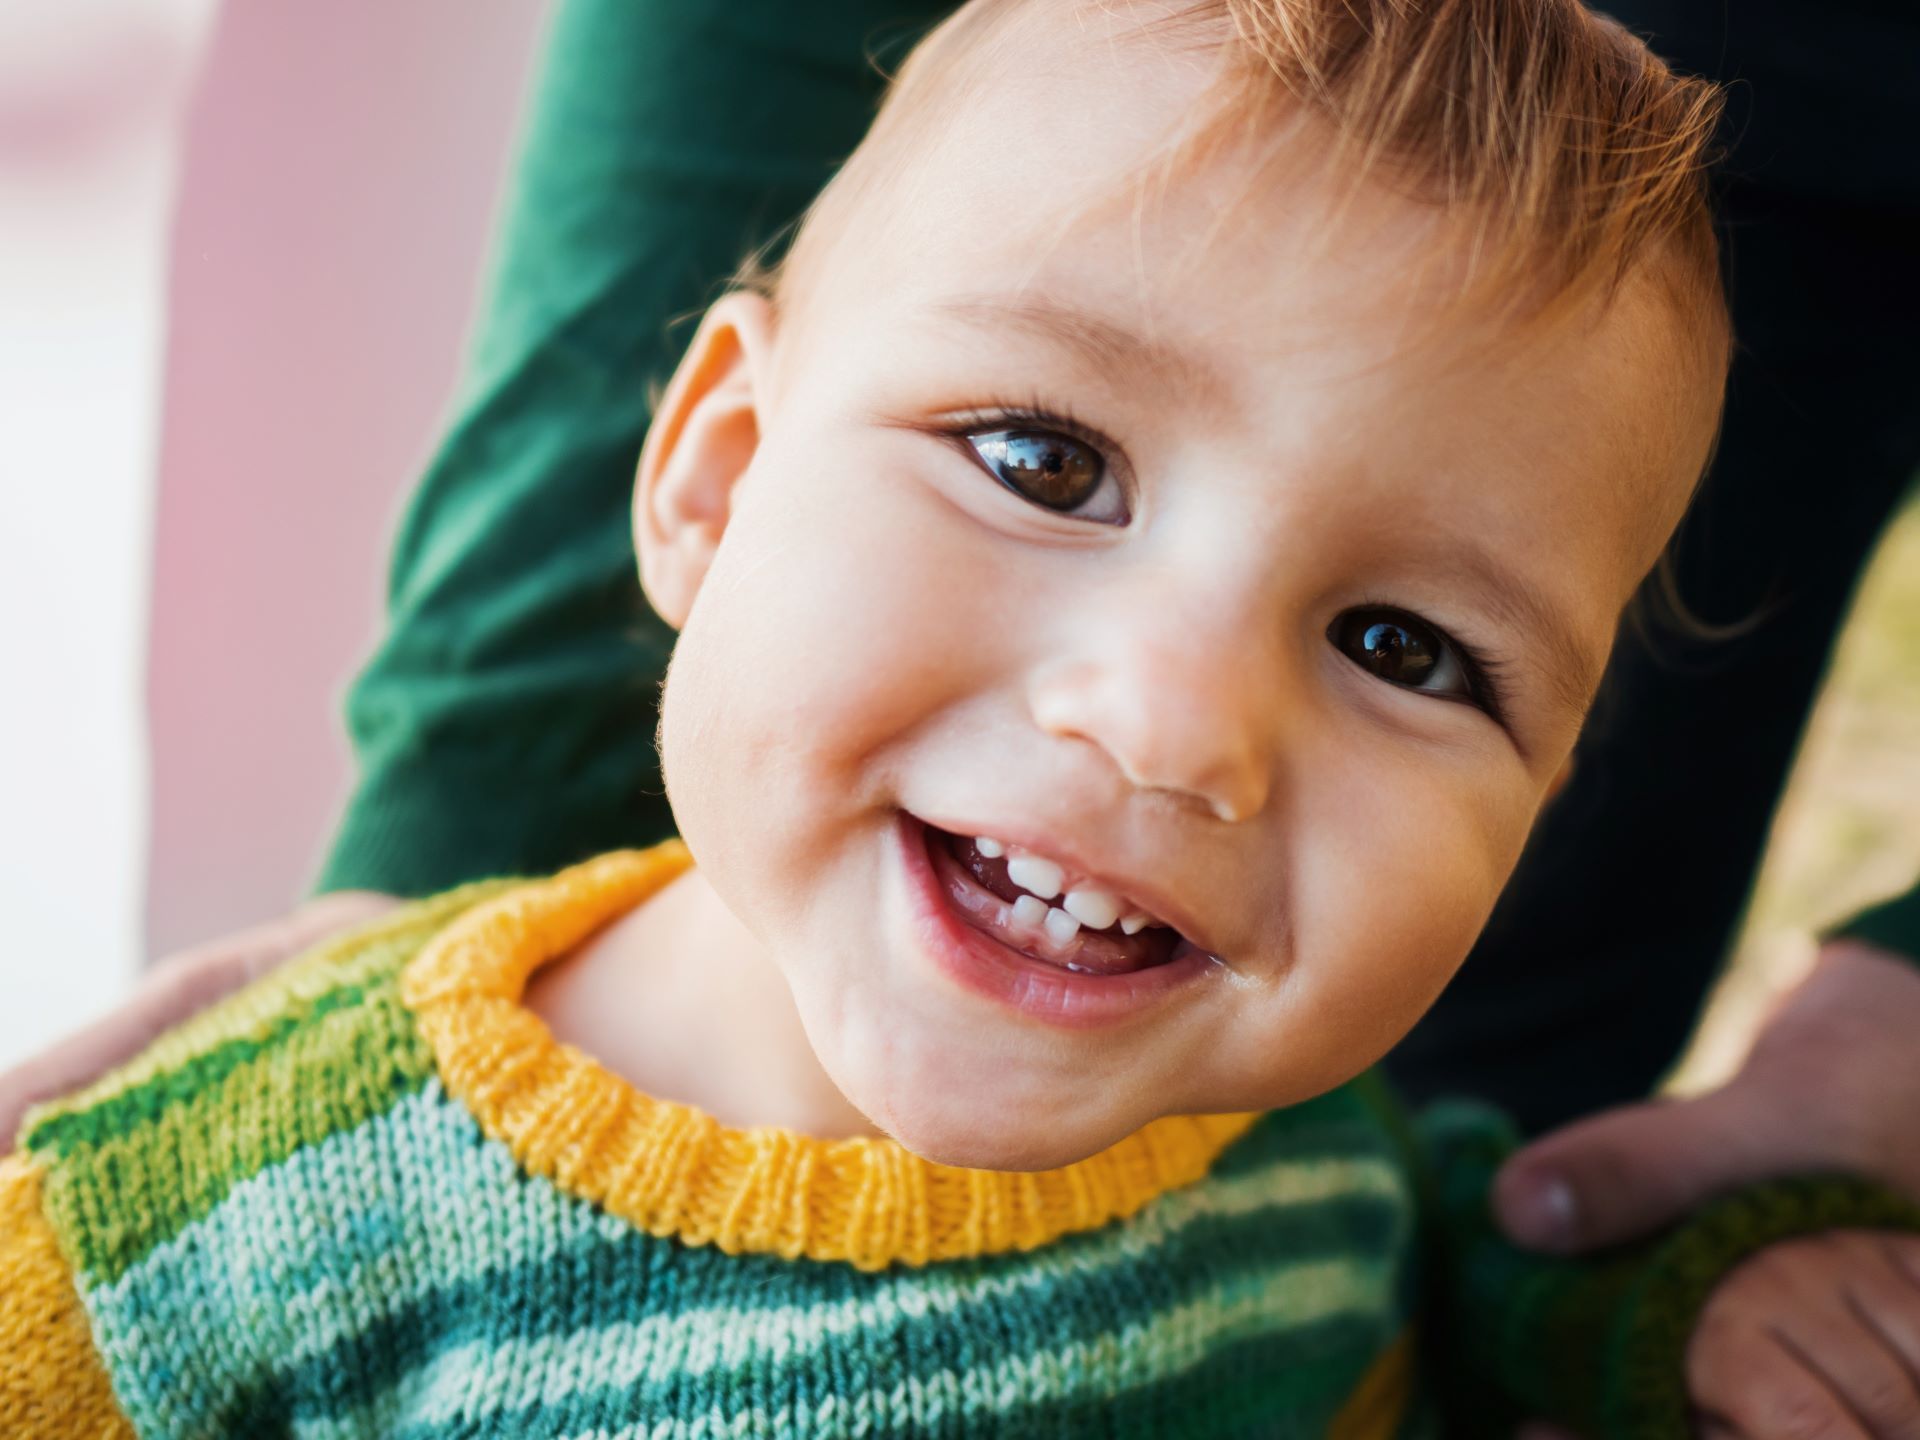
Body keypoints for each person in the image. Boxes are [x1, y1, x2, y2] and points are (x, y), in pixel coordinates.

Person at [6, 3, 1920, 1436]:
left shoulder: (1312, 1154)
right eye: (1043, 460)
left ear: (1548, 798)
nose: (1177, 729)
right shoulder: (219, 1234)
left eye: (1406, 650)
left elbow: (1482, 1283)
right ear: (716, 473)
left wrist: (1709, 1302)